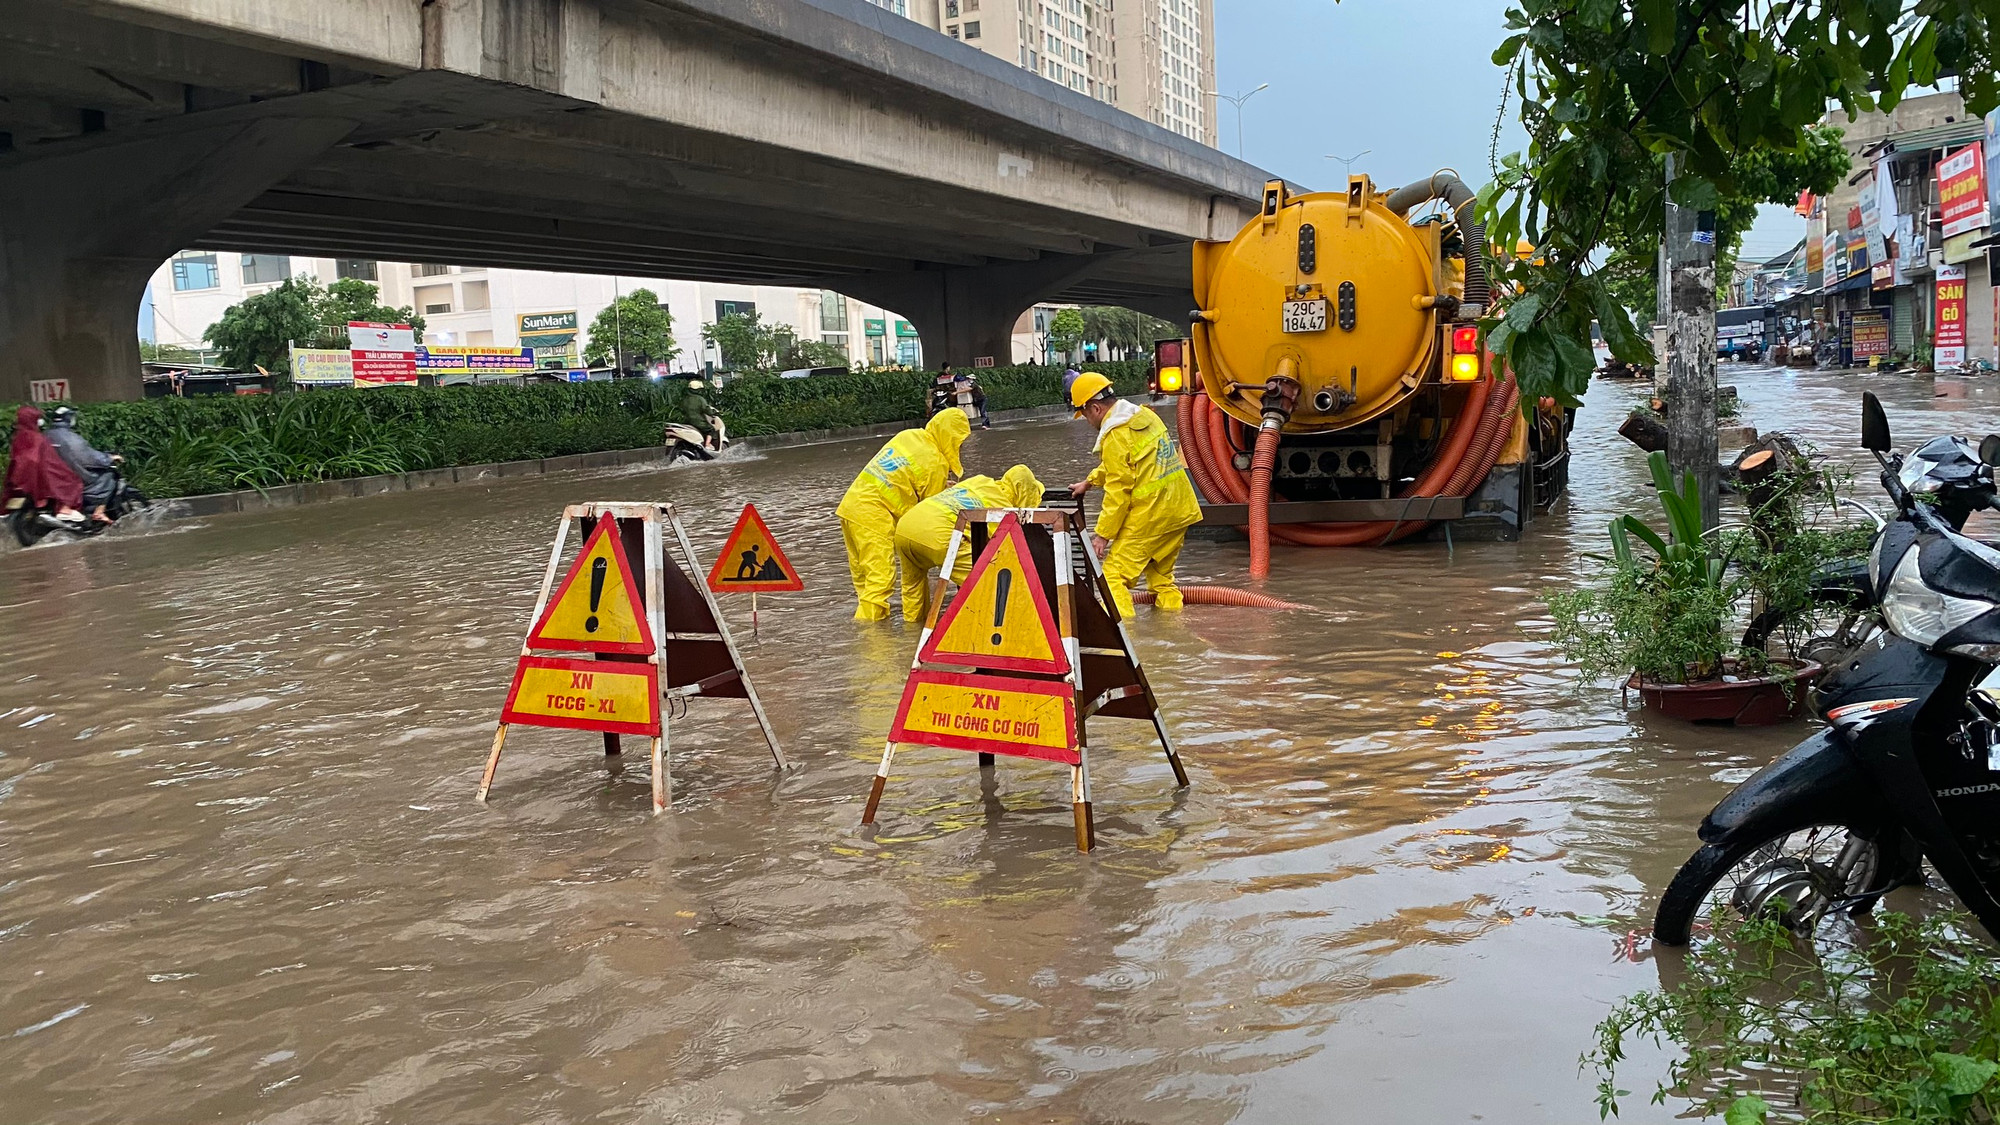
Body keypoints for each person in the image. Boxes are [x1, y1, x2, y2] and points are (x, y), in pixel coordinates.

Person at [1065, 371, 1201, 616]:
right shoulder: (1144, 416)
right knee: (1162, 580)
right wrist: (1090, 481)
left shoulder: (1116, 434)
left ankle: (1125, 634)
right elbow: (1128, 463)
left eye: (1084, 414)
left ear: (1095, 408)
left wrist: (1102, 535)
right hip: (1179, 510)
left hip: (1151, 515)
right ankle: (1173, 627)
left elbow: (1118, 491)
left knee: (1112, 577)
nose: (1086, 420)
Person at [835, 408, 972, 621]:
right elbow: (929, 512)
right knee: (880, 583)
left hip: (851, 506)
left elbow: (903, 476)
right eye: (959, 441)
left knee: (864, 580)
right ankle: (872, 637)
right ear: (951, 437)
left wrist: (941, 484)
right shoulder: (936, 463)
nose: (960, 447)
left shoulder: (910, 435)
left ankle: (865, 623)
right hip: (875, 515)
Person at [892, 463, 1043, 623]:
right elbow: (1004, 544)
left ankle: (911, 633)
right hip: (939, 535)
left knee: (913, 592)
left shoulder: (979, 481)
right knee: (991, 586)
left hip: (905, 528)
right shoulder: (1003, 506)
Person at [4, 405, 86, 524]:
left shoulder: (18, 437)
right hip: (39, 473)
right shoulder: (38, 438)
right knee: (72, 480)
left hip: (19, 476)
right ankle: (65, 508)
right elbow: (49, 460)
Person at [44, 406, 122, 523]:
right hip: (72, 475)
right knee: (109, 476)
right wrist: (108, 458)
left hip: (50, 476)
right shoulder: (71, 438)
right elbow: (89, 457)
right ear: (69, 419)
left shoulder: (45, 435)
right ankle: (99, 512)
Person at [679, 380, 725, 449]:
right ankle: (707, 444)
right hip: (698, 422)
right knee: (711, 429)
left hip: (687, 421)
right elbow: (706, 409)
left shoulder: (684, 399)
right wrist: (714, 412)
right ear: (698, 390)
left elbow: (682, 410)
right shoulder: (700, 399)